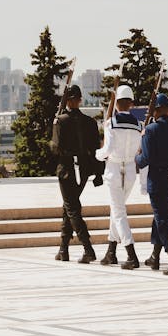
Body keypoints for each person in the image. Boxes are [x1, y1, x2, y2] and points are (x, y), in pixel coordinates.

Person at [135, 93, 168, 276]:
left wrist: (137, 155)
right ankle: (155, 256)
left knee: (162, 219)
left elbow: (145, 159)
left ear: (155, 111)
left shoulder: (150, 130)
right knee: (160, 216)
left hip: (158, 180)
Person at [51, 84, 104, 263]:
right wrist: (98, 173)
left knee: (72, 208)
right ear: (79, 99)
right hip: (83, 169)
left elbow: (55, 148)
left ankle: (87, 248)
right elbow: (96, 149)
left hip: (67, 170)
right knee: (69, 207)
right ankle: (63, 249)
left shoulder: (60, 121)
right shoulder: (89, 122)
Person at [95, 84, 142, 270]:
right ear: (130, 103)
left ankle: (131, 254)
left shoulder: (111, 124)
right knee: (117, 210)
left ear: (116, 105)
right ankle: (111, 251)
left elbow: (107, 150)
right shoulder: (139, 125)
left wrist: (96, 154)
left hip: (114, 169)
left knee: (119, 212)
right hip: (130, 170)